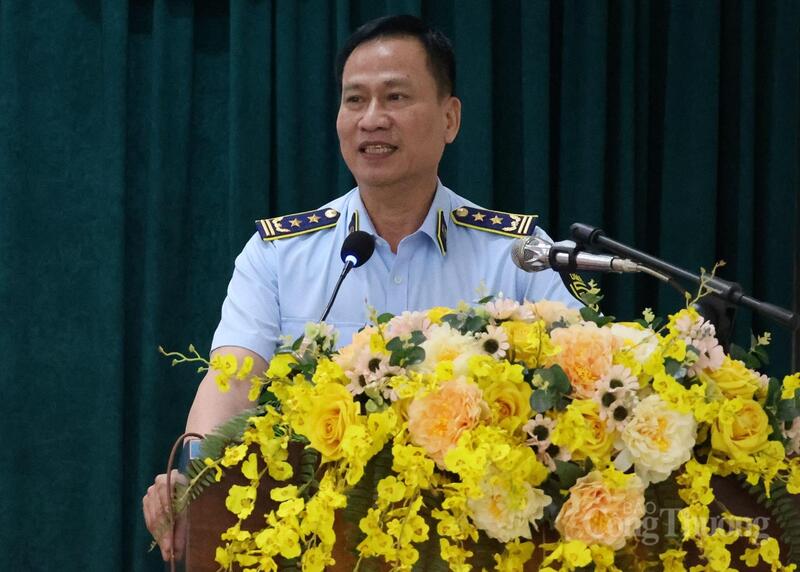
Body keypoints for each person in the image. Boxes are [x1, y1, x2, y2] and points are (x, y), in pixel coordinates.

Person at [143, 14, 582, 561]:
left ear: (450, 118)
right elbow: (231, 382)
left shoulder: (517, 253)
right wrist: (198, 483)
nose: (372, 120)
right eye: (355, 100)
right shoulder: (278, 255)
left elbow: (579, 390)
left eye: (396, 97)